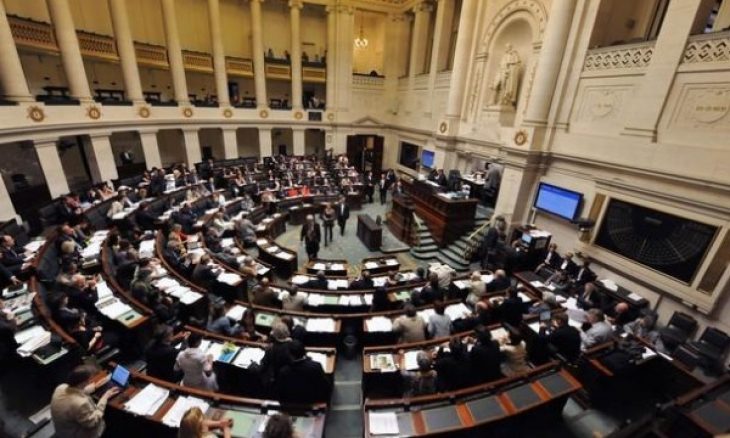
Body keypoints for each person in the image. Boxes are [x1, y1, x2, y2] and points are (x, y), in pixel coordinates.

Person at [50, 365, 120, 438]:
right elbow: (93, 422)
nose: (90, 381)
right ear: (83, 382)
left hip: (63, 430)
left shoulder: (61, 387)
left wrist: (95, 386)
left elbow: (76, 391)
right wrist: (105, 397)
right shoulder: (80, 404)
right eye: (89, 380)